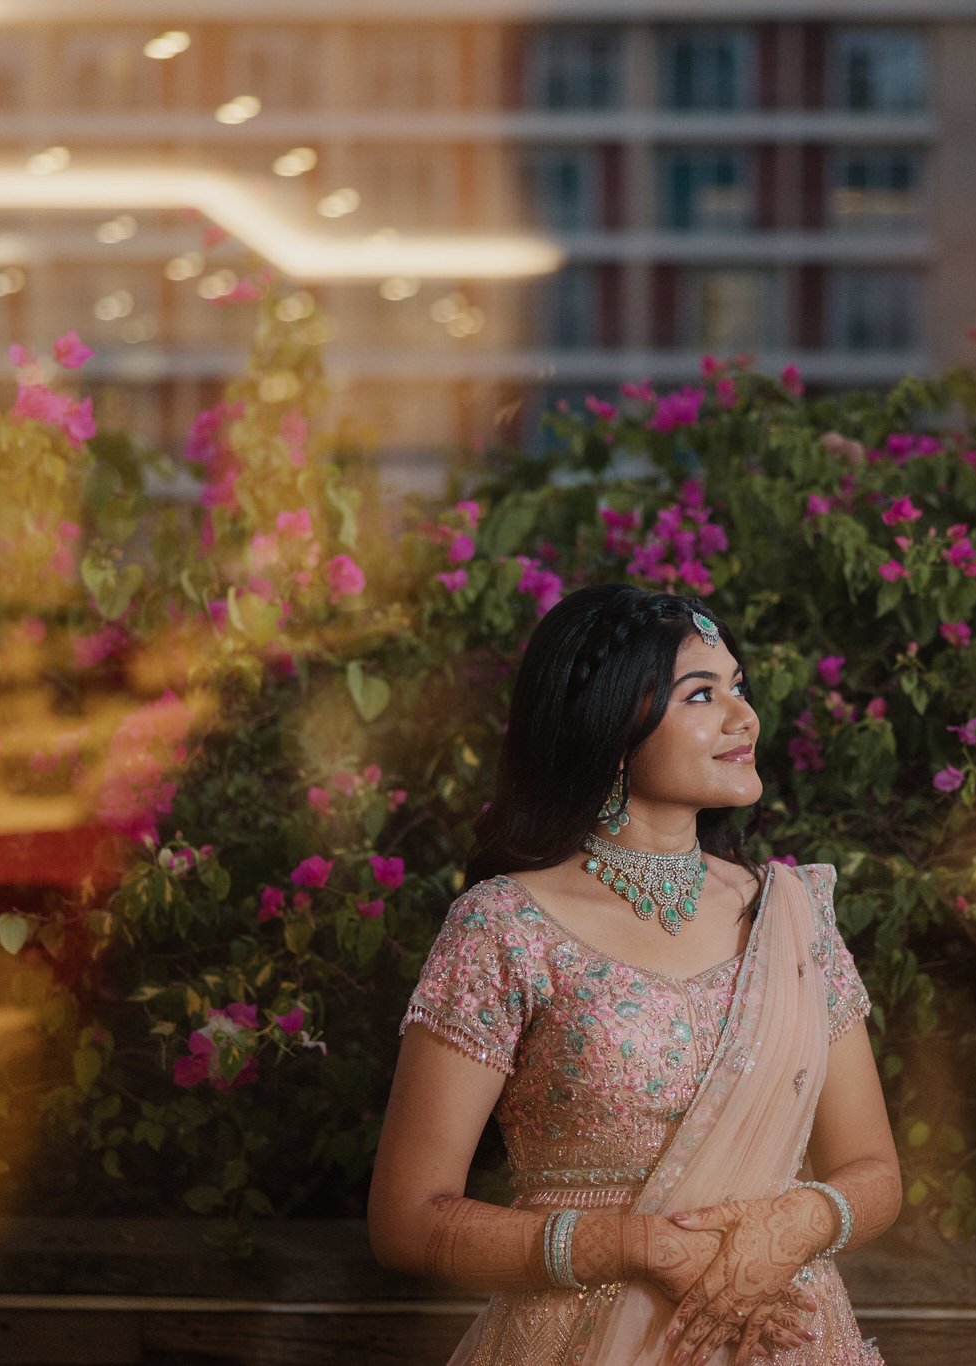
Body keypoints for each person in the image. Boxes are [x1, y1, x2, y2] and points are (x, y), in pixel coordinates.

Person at [368, 584, 901, 1365]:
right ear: (614, 727)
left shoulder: (793, 915)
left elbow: (875, 1171)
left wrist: (791, 1226)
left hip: (788, 1332)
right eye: (702, 694)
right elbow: (408, 1221)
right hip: (581, 1341)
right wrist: (637, 1247)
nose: (743, 717)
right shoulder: (505, 926)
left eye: (739, 689)